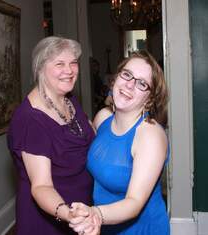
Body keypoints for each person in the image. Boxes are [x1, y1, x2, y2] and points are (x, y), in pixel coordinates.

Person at [69, 50, 170, 235]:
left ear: (150, 99)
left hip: (140, 229)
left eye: (142, 84)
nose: (129, 85)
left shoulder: (150, 136)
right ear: (115, 79)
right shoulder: (102, 118)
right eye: (127, 74)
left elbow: (134, 202)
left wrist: (96, 213)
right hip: (105, 225)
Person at [7, 36, 97, 235]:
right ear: (40, 68)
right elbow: (42, 186)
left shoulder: (69, 100)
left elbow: (87, 134)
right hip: (50, 219)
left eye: (73, 62)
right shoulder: (31, 120)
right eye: (60, 64)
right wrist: (68, 214)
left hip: (83, 208)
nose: (69, 70)